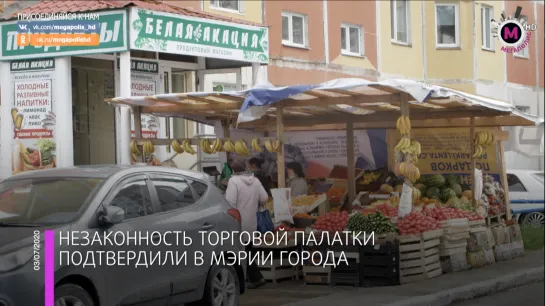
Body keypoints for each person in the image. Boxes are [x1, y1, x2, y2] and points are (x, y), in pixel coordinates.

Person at [225, 159, 268, 289]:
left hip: (238, 221)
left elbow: (230, 203)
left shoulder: (233, 181)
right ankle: (254, 277)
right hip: (252, 220)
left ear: (233, 170)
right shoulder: (255, 180)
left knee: (242, 252)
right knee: (248, 249)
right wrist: (254, 204)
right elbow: (265, 197)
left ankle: (255, 278)